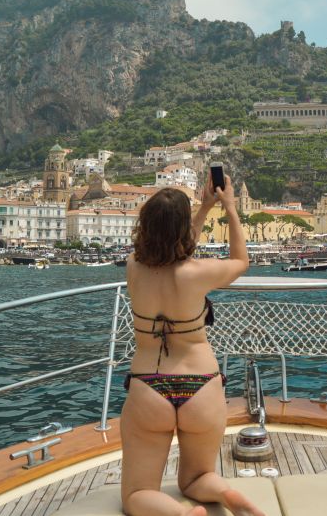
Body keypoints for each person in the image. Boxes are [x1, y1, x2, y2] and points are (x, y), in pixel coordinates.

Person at [122, 175, 265, 516]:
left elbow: (171, 250)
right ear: (183, 229)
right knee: (198, 477)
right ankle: (230, 497)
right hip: (201, 385)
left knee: (137, 494)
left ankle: (185, 515)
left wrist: (203, 208)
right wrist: (227, 208)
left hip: (149, 386)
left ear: (145, 225)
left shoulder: (133, 267)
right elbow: (240, 261)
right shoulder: (199, 272)